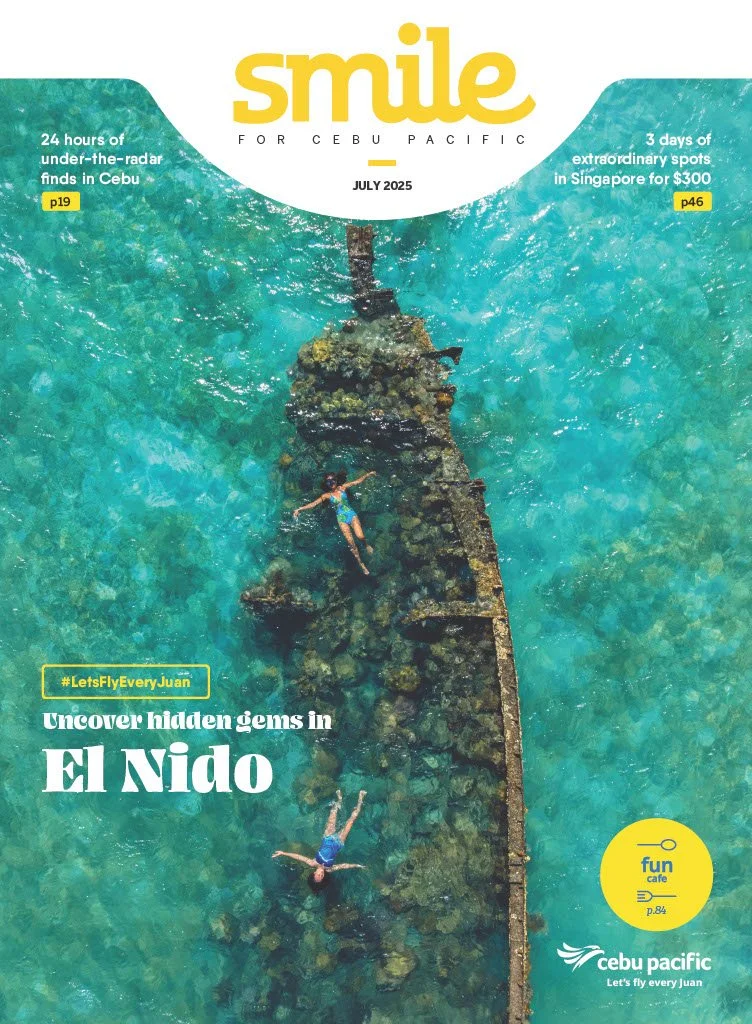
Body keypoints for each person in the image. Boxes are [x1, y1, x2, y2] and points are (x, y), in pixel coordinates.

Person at [272, 789, 367, 888]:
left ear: (314, 873)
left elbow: (299, 857)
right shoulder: (329, 869)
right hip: (339, 842)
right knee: (351, 820)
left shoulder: (313, 862)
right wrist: (358, 866)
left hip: (328, 837)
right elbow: (344, 866)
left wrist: (283, 853)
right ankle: (360, 799)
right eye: (322, 876)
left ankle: (339, 800)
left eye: (318, 875)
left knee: (333, 813)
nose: (321, 874)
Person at [292, 470, 377, 575]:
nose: (331, 483)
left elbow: (356, 482)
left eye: (333, 480)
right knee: (351, 544)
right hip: (341, 519)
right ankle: (361, 564)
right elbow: (314, 504)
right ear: (326, 484)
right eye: (328, 482)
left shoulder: (343, 488)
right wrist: (300, 509)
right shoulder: (326, 496)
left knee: (360, 536)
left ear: (336, 480)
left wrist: (367, 475)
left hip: (351, 515)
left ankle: (366, 544)